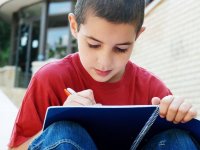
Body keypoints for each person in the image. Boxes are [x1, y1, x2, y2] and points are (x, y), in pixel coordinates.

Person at [9, 0, 199, 149]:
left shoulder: (153, 89)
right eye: (94, 45)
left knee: (179, 140)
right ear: (74, 26)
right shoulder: (50, 79)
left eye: (121, 49)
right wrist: (57, 122)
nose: (104, 62)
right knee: (63, 132)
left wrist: (179, 117)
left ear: (137, 36)